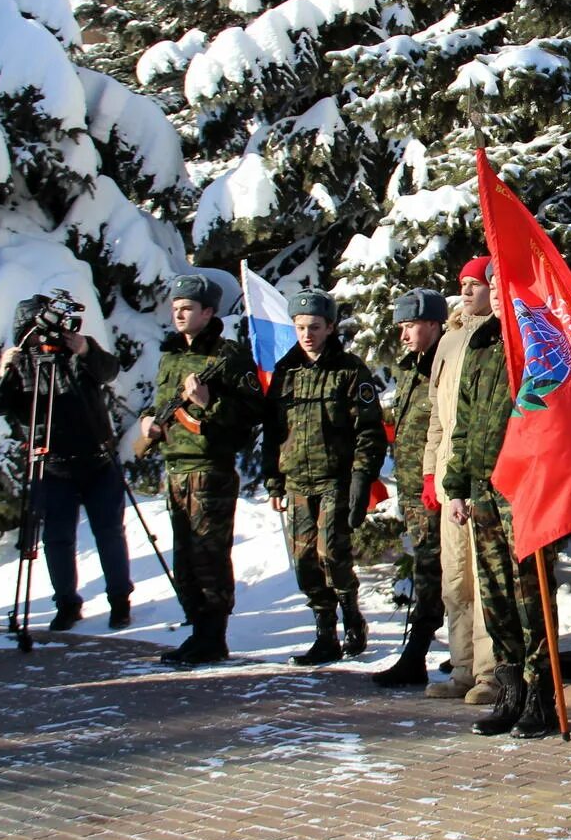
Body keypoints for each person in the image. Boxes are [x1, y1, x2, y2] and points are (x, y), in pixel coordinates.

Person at [441, 260, 556, 739]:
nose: (486, 289)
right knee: (496, 594)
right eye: (483, 283)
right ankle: (509, 691)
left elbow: (552, 405)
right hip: (484, 487)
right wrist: (457, 485)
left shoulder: (536, 337)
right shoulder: (482, 343)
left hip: (524, 486)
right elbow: (464, 420)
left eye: (493, 282)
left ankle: (540, 695)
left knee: (532, 593)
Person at [0, 298, 133, 630]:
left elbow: (110, 370)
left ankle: (119, 600)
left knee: (110, 532)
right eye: (36, 332)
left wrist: (86, 350)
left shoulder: (77, 354)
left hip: (96, 459)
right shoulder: (21, 365)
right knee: (57, 537)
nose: (45, 338)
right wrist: (2, 372)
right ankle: (66, 602)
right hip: (51, 465)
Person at [139, 274, 262, 667]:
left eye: (188, 308)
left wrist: (209, 403)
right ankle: (197, 630)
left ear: (208, 312)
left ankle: (213, 635)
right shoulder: (171, 356)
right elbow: (162, 405)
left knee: (209, 553)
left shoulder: (227, 356)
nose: (179, 313)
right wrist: (149, 424)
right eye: (175, 308)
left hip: (210, 468)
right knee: (186, 556)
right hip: (175, 466)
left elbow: (252, 413)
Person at [261, 287, 386, 666]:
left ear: (330, 327)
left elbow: (369, 430)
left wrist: (362, 478)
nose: (306, 334)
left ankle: (351, 615)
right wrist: (273, 479)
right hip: (297, 481)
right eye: (300, 327)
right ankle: (324, 631)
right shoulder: (286, 371)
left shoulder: (350, 371)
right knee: (304, 562)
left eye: (314, 326)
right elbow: (273, 429)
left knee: (332, 553)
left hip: (336, 479)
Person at [421, 258, 500, 704]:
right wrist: (432, 471)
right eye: (463, 284)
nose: (467, 292)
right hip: (451, 474)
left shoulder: (498, 339)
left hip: (483, 475)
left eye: (476, 284)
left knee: (484, 575)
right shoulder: (450, 341)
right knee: (455, 580)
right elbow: (437, 415)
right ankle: (463, 667)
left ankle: (489, 672)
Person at [372, 287, 449, 688]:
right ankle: (432, 652)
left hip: (438, 487)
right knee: (428, 568)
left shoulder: (446, 365)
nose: (403, 335)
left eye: (410, 326)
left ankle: (421, 651)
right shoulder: (411, 367)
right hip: (415, 491)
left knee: (440, 572)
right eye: (401, 326)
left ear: (434, 325)